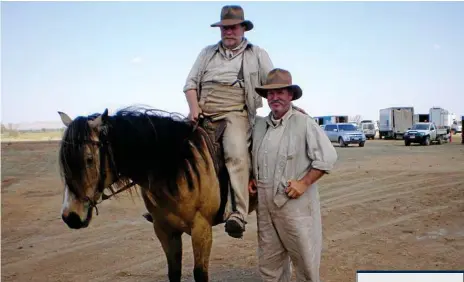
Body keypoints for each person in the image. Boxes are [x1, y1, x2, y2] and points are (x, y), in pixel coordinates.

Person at [248, 68, 338, 281]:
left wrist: (304, 183)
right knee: (269, 265)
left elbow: (327, 157)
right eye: (270, 93)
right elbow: (254, 156)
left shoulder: (303, 123)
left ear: (290, 95)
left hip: (295, 206)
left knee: (305, 262)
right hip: (265, 207)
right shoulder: (259, 126)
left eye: (280, 92)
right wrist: (253, 176)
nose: (275, 97)